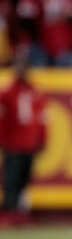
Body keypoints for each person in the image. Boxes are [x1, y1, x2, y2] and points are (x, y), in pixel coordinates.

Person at [0, 52, 46, 226]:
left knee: (25, 179)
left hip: (29, 142)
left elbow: (42, 118)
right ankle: (7, 211)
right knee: (10, 179)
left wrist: (42, 138)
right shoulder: (6, 91)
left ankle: (20, 211)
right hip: (12, 143)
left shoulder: (35, 91)